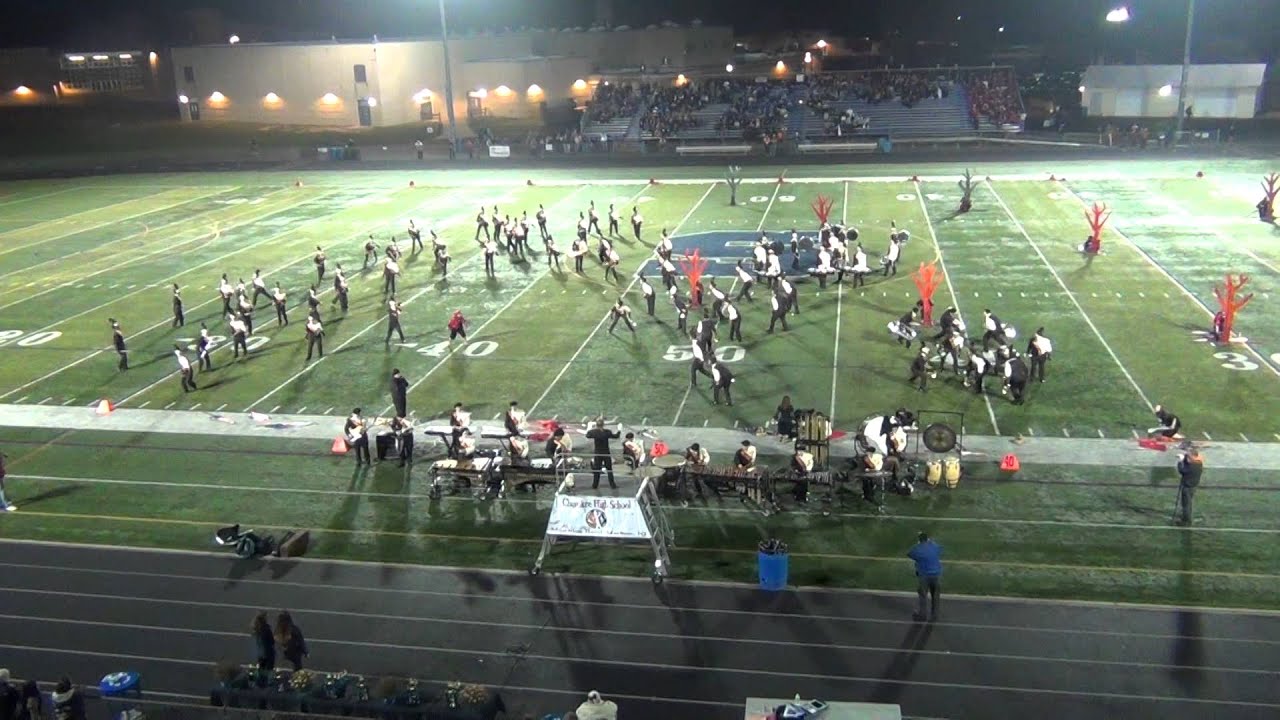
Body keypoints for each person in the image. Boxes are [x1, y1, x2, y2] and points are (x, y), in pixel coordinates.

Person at [907, 531, 943, 621]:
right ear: (927, 539)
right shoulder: (934, 546)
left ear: (919, 540)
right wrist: (931, 543)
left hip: (924, 575)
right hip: (936, 574)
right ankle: (935, 615)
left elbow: (910, 554)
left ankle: (922, 615)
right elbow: (940, 549)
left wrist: (918, 545)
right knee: (935, 596)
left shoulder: (917, 548)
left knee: (923, 595)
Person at [585, 419, 620, 489]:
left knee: (597, 469)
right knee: (609, 469)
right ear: (603, 425)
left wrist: (589, 428)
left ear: (596, 425)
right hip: (606, 453)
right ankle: (612, 485)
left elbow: (587, 435)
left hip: (598, 453)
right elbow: (616, 436)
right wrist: (619, 430)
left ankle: (595, 485)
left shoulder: (594, 432)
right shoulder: (607, 432)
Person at [1176, 449, 1203, 526]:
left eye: (1189, 456)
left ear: (1193, 456)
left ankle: (1186, 521)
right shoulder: (1199, 463)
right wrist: (1184, 458)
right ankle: (1187, 517)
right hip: (1193, 486)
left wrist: (1180, 461)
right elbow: (1188, 463)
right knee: (1189, 503)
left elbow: (1182, 471)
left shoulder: (1192, 466)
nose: (1188, 457)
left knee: (1186, 505)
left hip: (1188, 487)